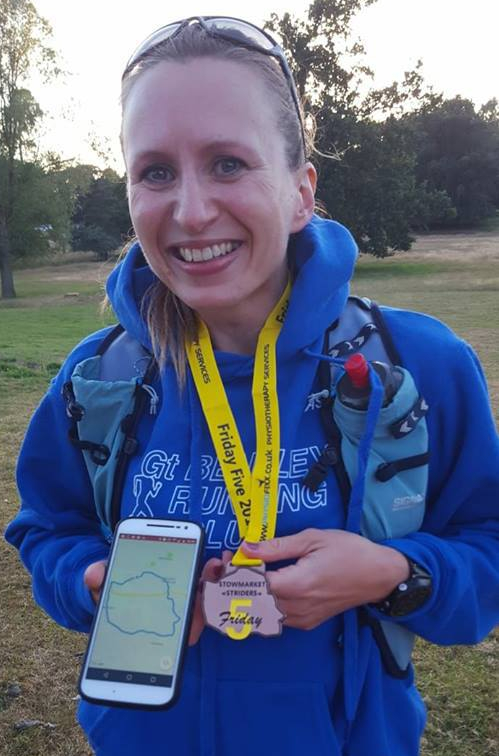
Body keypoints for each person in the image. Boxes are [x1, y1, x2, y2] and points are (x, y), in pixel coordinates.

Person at [5, 16, 499, 756]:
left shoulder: (417, 366)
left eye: (228, 163)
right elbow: (47, 528)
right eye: (156, 172)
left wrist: (394, 575)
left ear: (300, 192)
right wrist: (89, 579)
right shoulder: (98, 378)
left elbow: (487, 547)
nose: (190, 210)